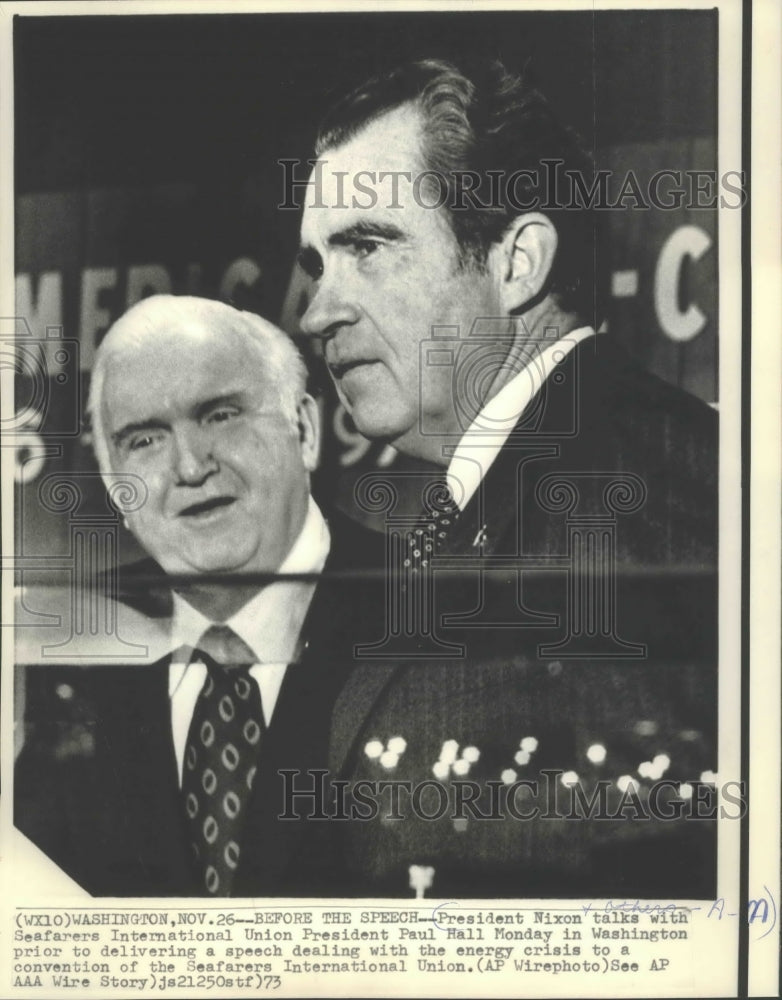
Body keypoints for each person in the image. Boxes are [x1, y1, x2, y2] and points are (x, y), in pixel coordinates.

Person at [293, 58, 719, 897]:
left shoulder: (653, 484)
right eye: (316, 264)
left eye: (367, 246)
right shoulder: (498, 498)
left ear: (517, 262)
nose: (316, 313)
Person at [14, 294, 383, 897]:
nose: (189, 467)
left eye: (220, 416)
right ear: (115, 492)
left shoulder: (428, 604)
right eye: (144, 441)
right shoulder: (67, 647)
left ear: (306, 431)